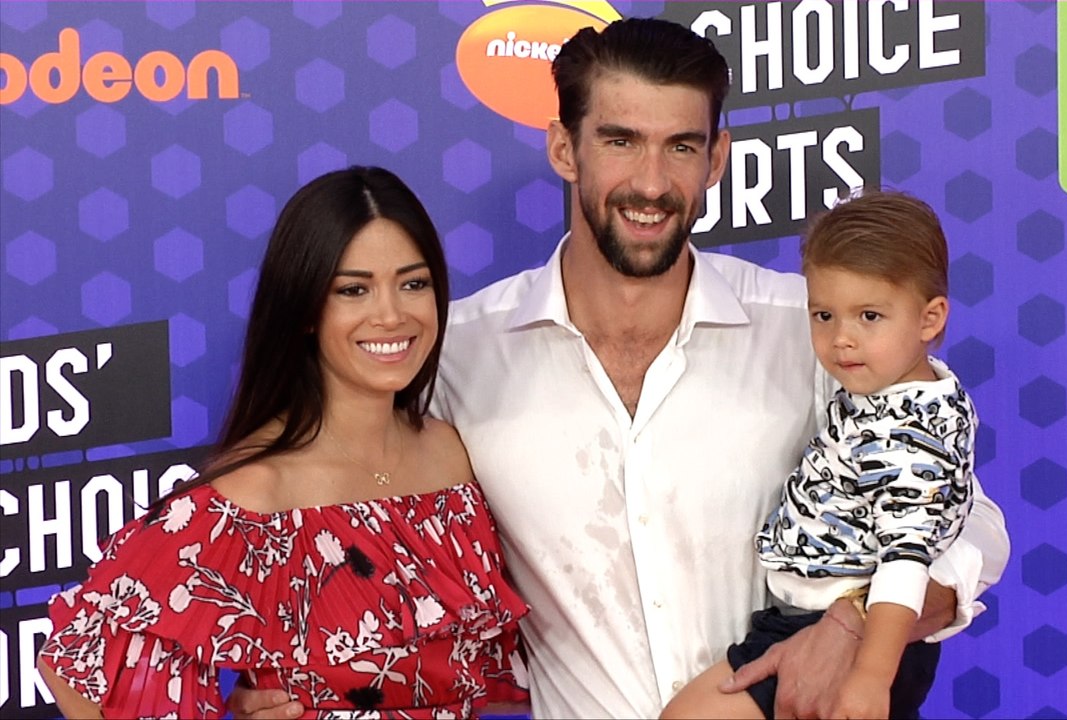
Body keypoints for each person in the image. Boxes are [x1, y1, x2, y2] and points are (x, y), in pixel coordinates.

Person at [233, 17, 1009, 720]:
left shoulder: (807, 329)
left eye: (680, 146)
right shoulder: (454, 352)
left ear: (717, 159)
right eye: (620, 140)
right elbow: (352, 509)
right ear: (564, 148)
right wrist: (299, 679)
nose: (650, 182)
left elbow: (970, 527)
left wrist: (853, 625)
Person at [37, 166, 528, 718]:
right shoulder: (252, 497)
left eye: (413, 283)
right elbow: (77, 662)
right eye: (353, 289)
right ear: (304, 311)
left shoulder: (451, 455)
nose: (392, 315)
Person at [662, 189, 977, 720]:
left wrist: (870, 678)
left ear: (930, 318)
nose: (841, 340)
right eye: (824, 315)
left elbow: (906, 559)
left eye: (869, 316)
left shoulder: (910, 428)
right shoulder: (880, 395)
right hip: (796, 618)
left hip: (851, 638)